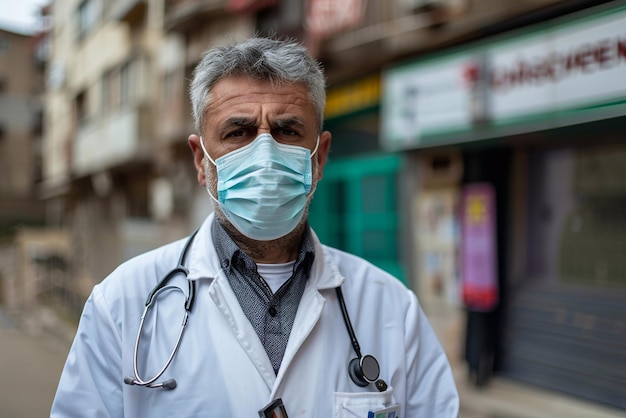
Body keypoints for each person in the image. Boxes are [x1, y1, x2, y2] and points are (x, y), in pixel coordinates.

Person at [51, 37, 459, 417]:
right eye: (238, 132)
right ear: (200, 160)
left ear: (320, 157)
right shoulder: (121, 305)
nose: (265, 153)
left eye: (287, 130)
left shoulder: (392, 309)